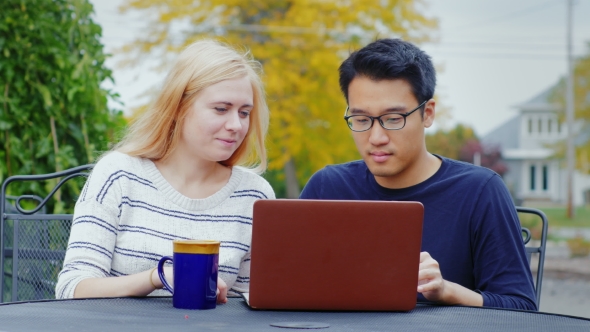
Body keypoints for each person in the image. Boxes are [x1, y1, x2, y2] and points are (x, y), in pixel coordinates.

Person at [299, 38, 537, 310]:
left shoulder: (479, 191)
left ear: (428, 113)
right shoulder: (327, 187)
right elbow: (285, 286)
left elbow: (521, 308)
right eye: (362, 120)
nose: (376, 137)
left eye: (393, 119)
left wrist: (448, 291)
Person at [55, 39, 275, 303]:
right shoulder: (119, 175)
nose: (236, 125)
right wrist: (158, 277)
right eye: (221, 109)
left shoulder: (255, 195)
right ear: (179, 107)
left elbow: (254, 300)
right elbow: (72, 288)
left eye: (244, 112)